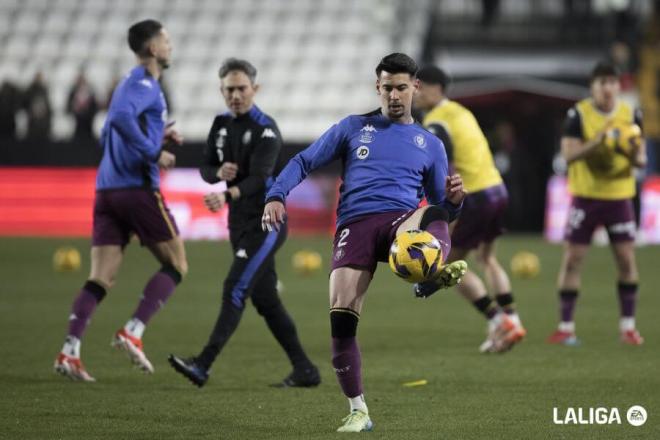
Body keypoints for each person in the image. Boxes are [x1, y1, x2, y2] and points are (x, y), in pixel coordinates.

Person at [262, 53, 468, 432]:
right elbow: (305, 161)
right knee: (341, 320)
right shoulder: (353, 127)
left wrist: (456, 200)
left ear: (415, 88)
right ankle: (358, 409)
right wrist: (276, 194)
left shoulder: (430, 143)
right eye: (387, 87)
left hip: (400, 223)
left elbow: (445, 208)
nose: (394, 95)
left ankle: (431, 270)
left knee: (433, 214)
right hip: (354, 226)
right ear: (378, 87)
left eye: (401, 87)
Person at [168, 59, 320, 388]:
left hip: (267, 221)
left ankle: (203, 364)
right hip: (238, 223)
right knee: (266, 300)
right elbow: (206, 167)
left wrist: (226, 195)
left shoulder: (267, 129)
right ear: (222, 91)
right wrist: (217, 174)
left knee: (234, 288)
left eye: (241, 88)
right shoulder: (221, 124)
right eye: (229, 89)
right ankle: (305, 370)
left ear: (255, 89)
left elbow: (262, 178)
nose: (235, 95)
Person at [53, 19, 187, 381]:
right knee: (176, 264)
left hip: (107, 191)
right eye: (166, 40)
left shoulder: (132, 85)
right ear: (152, 47)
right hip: (136, 190)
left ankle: (70, 351)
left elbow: (115, 128)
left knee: (101, 278)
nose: (170, 46)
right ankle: (133, 331)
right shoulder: (143, 83)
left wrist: (160, 137)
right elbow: (119, 119)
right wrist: (153, 152)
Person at [413, 65, 526, 353]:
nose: (415, 93)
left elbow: (444, 166)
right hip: (497, 190)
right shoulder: (461, 112)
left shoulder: (437, 122)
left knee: (445, 265)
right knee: (487, 258)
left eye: (419, 87)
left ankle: (499, 321)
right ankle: (512, 319)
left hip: (473, 195)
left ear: (436, 88)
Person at [547, 61, 646, 346]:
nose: (607, 88)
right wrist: (600, 142)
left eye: (612, 83)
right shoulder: (578, 114)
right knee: (574, 259)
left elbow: (642, 160)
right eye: (602, 83)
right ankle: (566, 328)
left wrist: (626, 150)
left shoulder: (630, 113)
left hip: (618, 198)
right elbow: (568, 156)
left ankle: (628, 328)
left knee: (626, 260)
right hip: (586, 197)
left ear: (618, 86)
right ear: (593, 87)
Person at [67, 69, 99, 141]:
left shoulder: (90, 91)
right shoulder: (73, 91)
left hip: (88, 121)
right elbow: (68, 105)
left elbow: (94, 105)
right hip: (77, 120)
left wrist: (88, 112)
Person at [23, 71, 52, 141]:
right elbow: (26, 104)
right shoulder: (30, 90)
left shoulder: (44, 90)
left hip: (43, 124)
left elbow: (47, 107)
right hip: (33, 123)